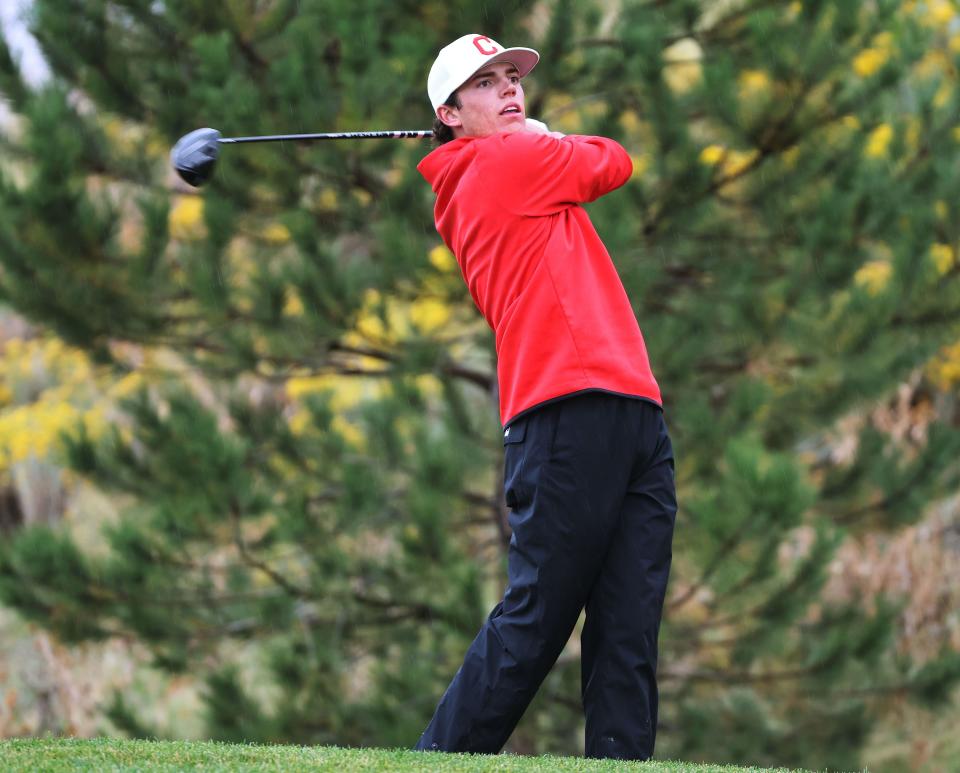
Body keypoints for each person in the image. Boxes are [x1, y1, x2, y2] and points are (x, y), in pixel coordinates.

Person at [414, 33, 677, 761]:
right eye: (486, 82)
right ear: (451, 112)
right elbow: (614, 160)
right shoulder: (503, 161)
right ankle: (439, 753)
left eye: (511, 77)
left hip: (629, 407)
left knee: (627, 623)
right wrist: (536, 133)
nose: (508, 89)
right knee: (537, 616)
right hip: (566, 410)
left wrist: (530, 135)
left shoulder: (506, 163)